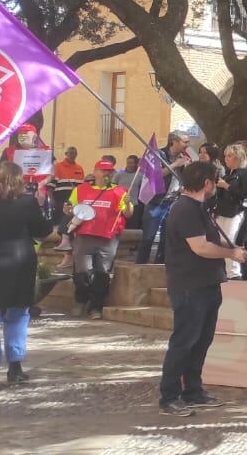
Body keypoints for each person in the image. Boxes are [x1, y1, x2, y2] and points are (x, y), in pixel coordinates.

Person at [158, 161, 247, 416]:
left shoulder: (199, 208)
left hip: (207, 283)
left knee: (201, 341)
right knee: (184, 341)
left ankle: (193, 391)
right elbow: (201, 247)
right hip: (190, 285)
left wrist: (234, 248)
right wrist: (231, 253)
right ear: (207, 183)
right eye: (214, 182)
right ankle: (170, 395)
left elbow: (210, 239)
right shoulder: (185, 209)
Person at [0, 162, 53, 384]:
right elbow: (43, 230)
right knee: (18, 314)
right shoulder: (27, 202)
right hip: (20, 263)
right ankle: (15, 366)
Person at [67, 157, 131, 318]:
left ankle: (96, 307)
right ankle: (82, 299)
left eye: (110, 171)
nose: (107, 174)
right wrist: (68, 209)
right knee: (82, 273)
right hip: (84, 236)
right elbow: (70, 210)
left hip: (108, 237)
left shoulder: (120, 191)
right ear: (95, 172)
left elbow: (128, 214)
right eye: (103, 171)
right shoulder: (80, 189)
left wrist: (129, 204)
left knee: (102, 273)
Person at [136, 131, 192, 264]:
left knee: (167, 238)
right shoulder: (159, 155)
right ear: (174, 141)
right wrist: (175, 165)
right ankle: (140, 266)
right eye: (185, 142)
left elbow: (185, 179)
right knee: (148, 237)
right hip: (157, 202)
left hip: (173, 202)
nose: (187, 145)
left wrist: (187, 170)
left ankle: (160, 265)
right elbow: (155, 176)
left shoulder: (184, 157)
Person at [211, 142, 247, 280]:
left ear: (238, 157)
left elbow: (244, 194)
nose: (226, 159)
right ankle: (223, 270)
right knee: (220, 240)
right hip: (223, 210)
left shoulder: (246, 173)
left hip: (236, 211)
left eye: (230, 156)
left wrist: (226, 186)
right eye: (225, 156)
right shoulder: (228, 173)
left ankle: (234, 272)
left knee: (231, 240)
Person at [50, 147, 85, 236]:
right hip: (60, 199)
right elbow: (51, 185)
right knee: (60, 221)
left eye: (74, 153)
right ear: (66, 154)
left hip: (74, 200)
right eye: (70, 153)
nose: (72, 155)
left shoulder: (79, 168)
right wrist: (51, 198)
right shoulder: (58, 167)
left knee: (72, 222)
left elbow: (81, 186)